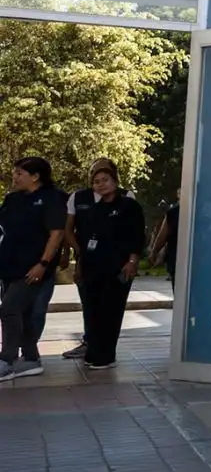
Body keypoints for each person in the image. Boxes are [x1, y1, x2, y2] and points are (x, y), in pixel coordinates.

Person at [66, 158, 145, 371]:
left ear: (115, 181)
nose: (101, 184)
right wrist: (80, 263)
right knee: (93, 311)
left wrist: (132, 261)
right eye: (96, 181)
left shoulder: (129, 205)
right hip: (93, 267)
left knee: (111, 311)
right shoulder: (95, 209)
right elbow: (85, 238)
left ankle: (106, 356)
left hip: (118, 268)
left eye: (105, 180)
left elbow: (137, 236)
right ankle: (93, 352)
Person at [0, 157, 69, 382]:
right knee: (24, 313)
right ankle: (31, 359)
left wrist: (43, 264)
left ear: (36, 176)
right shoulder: (12, 199)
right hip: (9, 266)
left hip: (34, 268)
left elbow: (57, 234)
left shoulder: (52, 198)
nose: (14, 177)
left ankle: (7, 360)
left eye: (19, 173)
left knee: (9, 309)